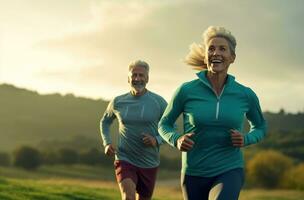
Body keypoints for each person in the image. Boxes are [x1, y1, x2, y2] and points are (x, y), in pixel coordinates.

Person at [158, 26, 267, 200]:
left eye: (222, 49)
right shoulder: (186, 91)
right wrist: (176, 139)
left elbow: (260, 127)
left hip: (229, 169)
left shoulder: (245, 94)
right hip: (193, 171)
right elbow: (164, 124)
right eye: (211, 48)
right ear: (206, 56)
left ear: (232, 58)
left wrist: (246, 139)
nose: (216, 52)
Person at [100, 60, 167, 200]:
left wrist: (157, 140)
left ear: (147, 78)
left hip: (149, 162)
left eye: (141, 75)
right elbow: (105, 122)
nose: (137, 79)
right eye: (134, 75)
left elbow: (171, 127)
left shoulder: (159, 102)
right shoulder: (118, 101)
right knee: (128, 197)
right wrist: (106, 143)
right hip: (125, 158)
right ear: (128, 78)